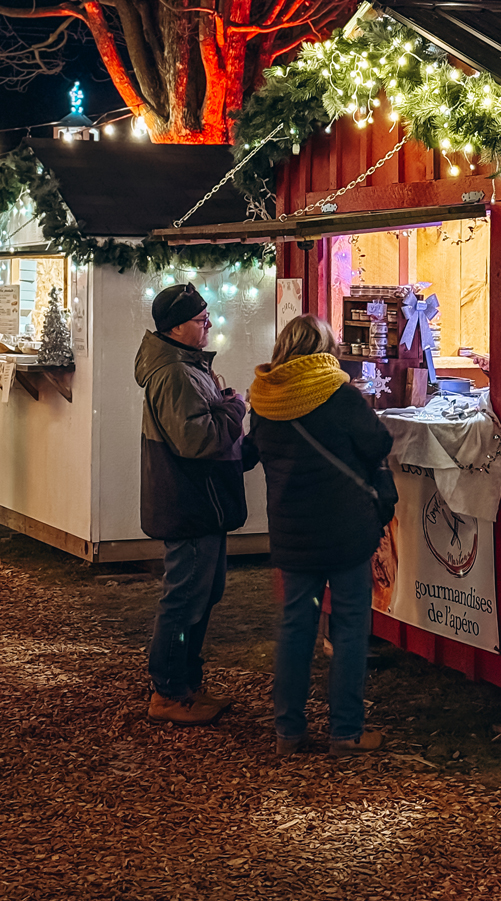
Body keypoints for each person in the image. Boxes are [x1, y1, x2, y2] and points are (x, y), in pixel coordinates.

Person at [243, 314, 395, 757]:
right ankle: (346, 731)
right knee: (349, 627)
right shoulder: (338, 395)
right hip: (345, 529)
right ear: (323, 349)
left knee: (295, 627)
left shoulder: (265, 401)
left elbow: (253, 452)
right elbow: (378, 443)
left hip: (292, 531)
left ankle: (288, 732)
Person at [134, 282, 248, 725]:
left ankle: (185, 684)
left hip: (199, 501)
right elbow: (196, 439)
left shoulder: (183, 367)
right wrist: (234, 409)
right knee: (185, 598)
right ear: (178, 327)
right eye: (202, 320)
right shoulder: (175, 373)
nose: (209, 326)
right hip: (190, 502)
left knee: (203, 593)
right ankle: (169, 692)